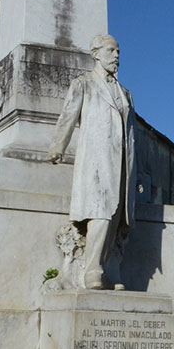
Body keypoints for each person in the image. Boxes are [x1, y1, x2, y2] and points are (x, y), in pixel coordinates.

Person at [48, 34, 138, 289]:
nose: (117, 56)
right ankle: (92, 270)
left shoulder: (126, 94)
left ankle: (109, 267)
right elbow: (68, 116)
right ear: (96, 53)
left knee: (119, 214)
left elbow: (133, 134)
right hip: (97, 159)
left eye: (118, 51)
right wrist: (58, 146)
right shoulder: (84, 84)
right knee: (101, 211)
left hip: (123, 163)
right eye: (112, 51)